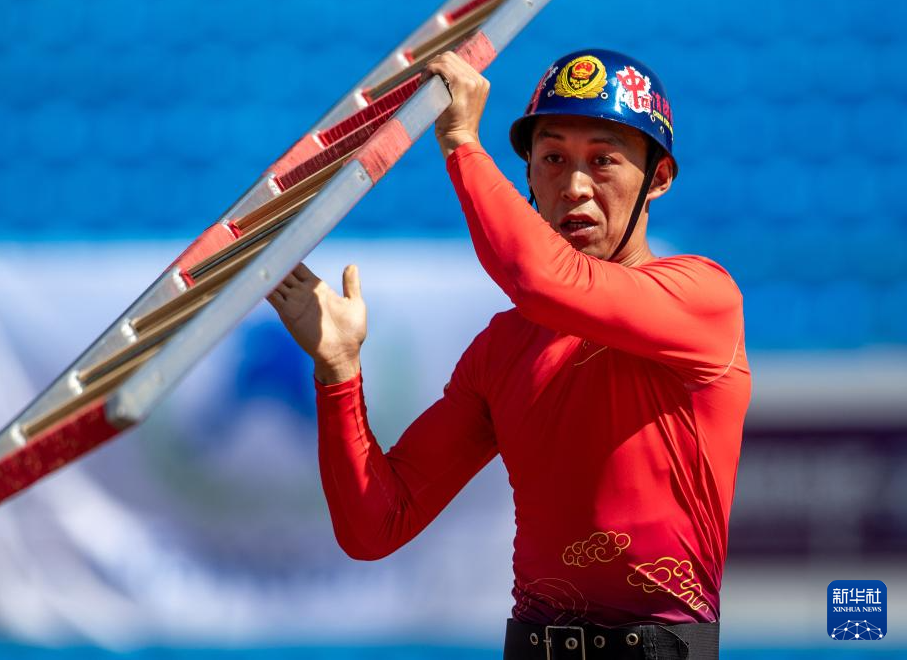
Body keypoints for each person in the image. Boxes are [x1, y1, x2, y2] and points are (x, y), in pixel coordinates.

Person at [267, 48, 750, 659]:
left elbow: (540, 279)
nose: (574, 186)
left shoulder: (703, 298)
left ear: (658, 178)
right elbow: (374, 526)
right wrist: (338, 372)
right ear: (529, 176)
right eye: (553, 159)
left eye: (603, 160)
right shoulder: (503, 347)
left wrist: (462, 144)